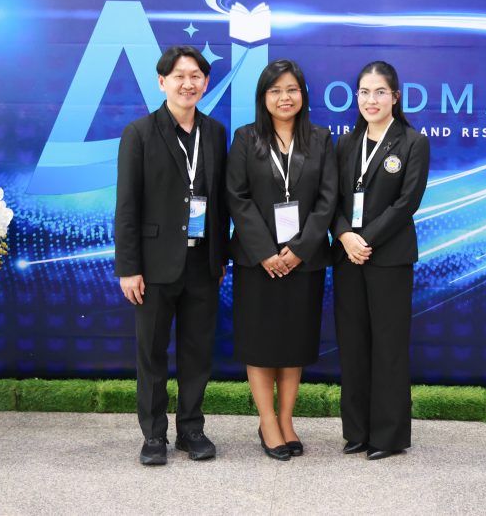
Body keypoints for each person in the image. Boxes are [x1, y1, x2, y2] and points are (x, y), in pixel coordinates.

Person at [114, 45, 229, 466]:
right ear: (162, 82)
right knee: (152, 353)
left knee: (197, 352)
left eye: (196, 76)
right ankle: (153, 435)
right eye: (179, 76)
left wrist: (220, 257)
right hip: (154, 265)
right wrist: (129, 268)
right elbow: (127, 205)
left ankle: (191, 429)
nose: (188, 83)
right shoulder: (139, 133)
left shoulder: (215, 132)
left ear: (206, 82)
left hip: (202, 264)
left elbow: (220, 202)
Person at [226, 59, 338, 461]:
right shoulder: (245, 138)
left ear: (303, 94)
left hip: (303, 261)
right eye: (275, 90)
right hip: (257, 262)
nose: (284, 97)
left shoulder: (321, 139)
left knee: (294, 343)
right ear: (263, 97)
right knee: (260, 344)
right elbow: (236, 198)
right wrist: (266, 253)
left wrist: (300, 249)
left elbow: (328, 199)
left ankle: (287, 420)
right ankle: (267, 421)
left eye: (291, 89)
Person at [331, 60, 430, 460]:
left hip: (388, 257)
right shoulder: (345, 143)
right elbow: (330, 199)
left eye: (379, 92)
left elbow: (407, 203)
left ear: (395, 97)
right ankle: (356, 431)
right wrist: (344, 236)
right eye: (364, 92)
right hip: (347, 257)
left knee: (388, 346)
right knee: (353, 345)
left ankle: (387, 436)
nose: (371, 100)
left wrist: (364, 240)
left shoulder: (412, 142)